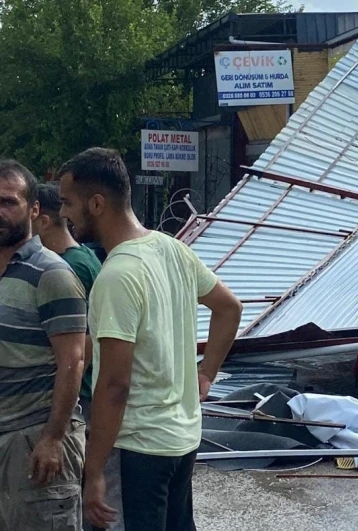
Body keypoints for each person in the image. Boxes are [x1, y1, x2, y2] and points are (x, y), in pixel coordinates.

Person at [58, 147, 242, 531]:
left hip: (140, 448)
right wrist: (205, 374)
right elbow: (229, 308)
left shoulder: (117, 275)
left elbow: (113, 386)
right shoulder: (172, 249)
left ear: (96, 203)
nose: (64, 214)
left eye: (68, 203)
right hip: (183, 439)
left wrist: (93, 472)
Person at [0, 161, 87, 530]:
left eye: (8, 202)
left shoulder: (52, 274)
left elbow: (74, 361)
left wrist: (52, 438)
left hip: (34, 440)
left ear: (34, 210)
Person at [32, 183, 102, 421]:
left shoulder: (69, 267)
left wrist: (70, 382)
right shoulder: (81, 256)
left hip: (81, 394)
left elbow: (88, 337)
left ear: (42, 222)